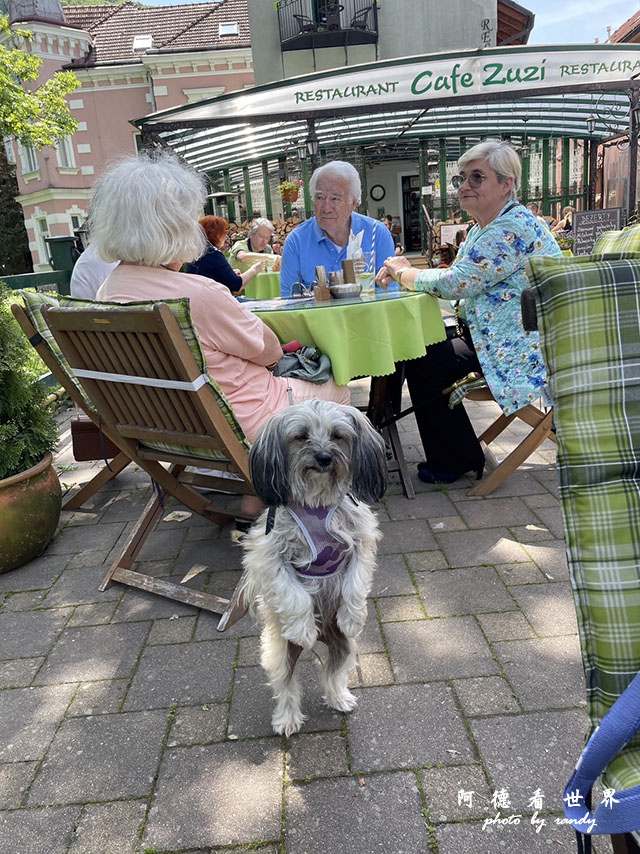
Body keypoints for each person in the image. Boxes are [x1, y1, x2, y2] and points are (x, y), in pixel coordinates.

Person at [90, 153, 350, 516]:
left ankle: (256, 490)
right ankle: (314, 502)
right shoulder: (198, 294)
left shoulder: (107, 292)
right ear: (174, 227)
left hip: (159, 427)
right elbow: (271, 353)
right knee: (339, 388)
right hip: (242, 423)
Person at [376, 139, 562, 484]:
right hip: (500, 336)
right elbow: (462, 280)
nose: (464, 186)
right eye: (462, 178)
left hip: (524, 349)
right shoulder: (485, 226)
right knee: (417, 345)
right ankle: (399, 437)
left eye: (477, 177)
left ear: (506, 184)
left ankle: (455, 460)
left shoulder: (511, 228)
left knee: (422, 358)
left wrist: (403, 271)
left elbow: (457, 283)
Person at [279, 160, 395, 297]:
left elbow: (390, 293)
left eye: (335, 198)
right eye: (320, 198)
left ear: (353, 202)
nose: (326, 208)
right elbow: (288, 301)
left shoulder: (377, 233)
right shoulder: (297, 241)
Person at [185, 215, 265, 294]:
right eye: (224, 232)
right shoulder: (213, 254)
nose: (226, 235)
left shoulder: (197, 252)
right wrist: (255, 269)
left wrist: (229, 273)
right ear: (217, 234)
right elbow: (236, 285)